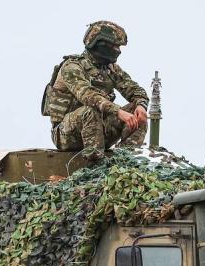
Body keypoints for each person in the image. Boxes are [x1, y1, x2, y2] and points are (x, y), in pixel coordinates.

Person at [42, 21, 149, 161]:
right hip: (66, 134)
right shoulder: (72, 67)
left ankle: (126, 159)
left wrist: (141, 105)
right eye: (115, 46)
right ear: (100, 44)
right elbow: (88, 95)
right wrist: (118, 111)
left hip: (101, 131)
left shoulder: (110, 68)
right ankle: (95, 163)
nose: (118, 50)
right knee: (89, 111)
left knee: (138, 111)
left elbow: (135, 89)